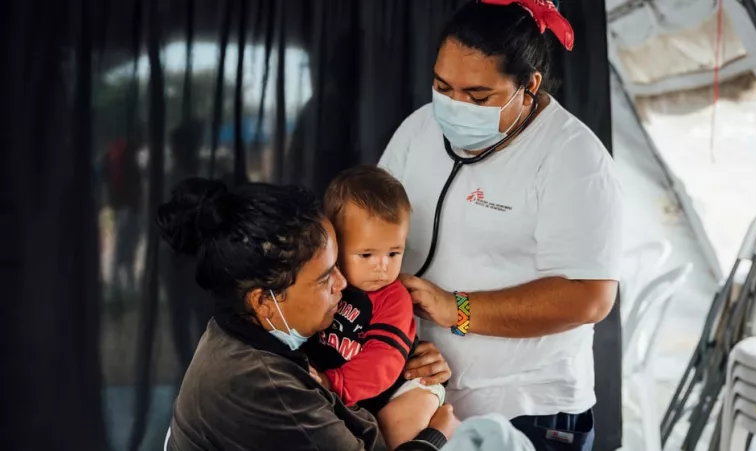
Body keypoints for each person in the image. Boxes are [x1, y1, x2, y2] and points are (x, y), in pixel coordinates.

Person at [378, 1, 622, 450]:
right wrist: (391, 338)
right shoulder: (417, 131)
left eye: (478, 97)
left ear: (528, 87)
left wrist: (457, 309)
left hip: (528, 409)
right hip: (422, 395)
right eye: (442, 86)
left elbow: (590, 297)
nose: (453, 107)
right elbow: (370, 229)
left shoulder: (574, 159)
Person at [157, 177, 460, 451]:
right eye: (326, 277)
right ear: (264, 301)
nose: (342, 284)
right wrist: (435, 434)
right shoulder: (267, 388)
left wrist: (409, 360)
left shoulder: (237, 330)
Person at [304, 166, 447, 449]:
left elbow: (384, 360)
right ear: (334, 243)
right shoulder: (322, 285)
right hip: (349, 390)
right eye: (366, 254)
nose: (382, 267)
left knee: (392, 429)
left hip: (402, 388)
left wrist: (335, 384)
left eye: (394, 253)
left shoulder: (393, 298)